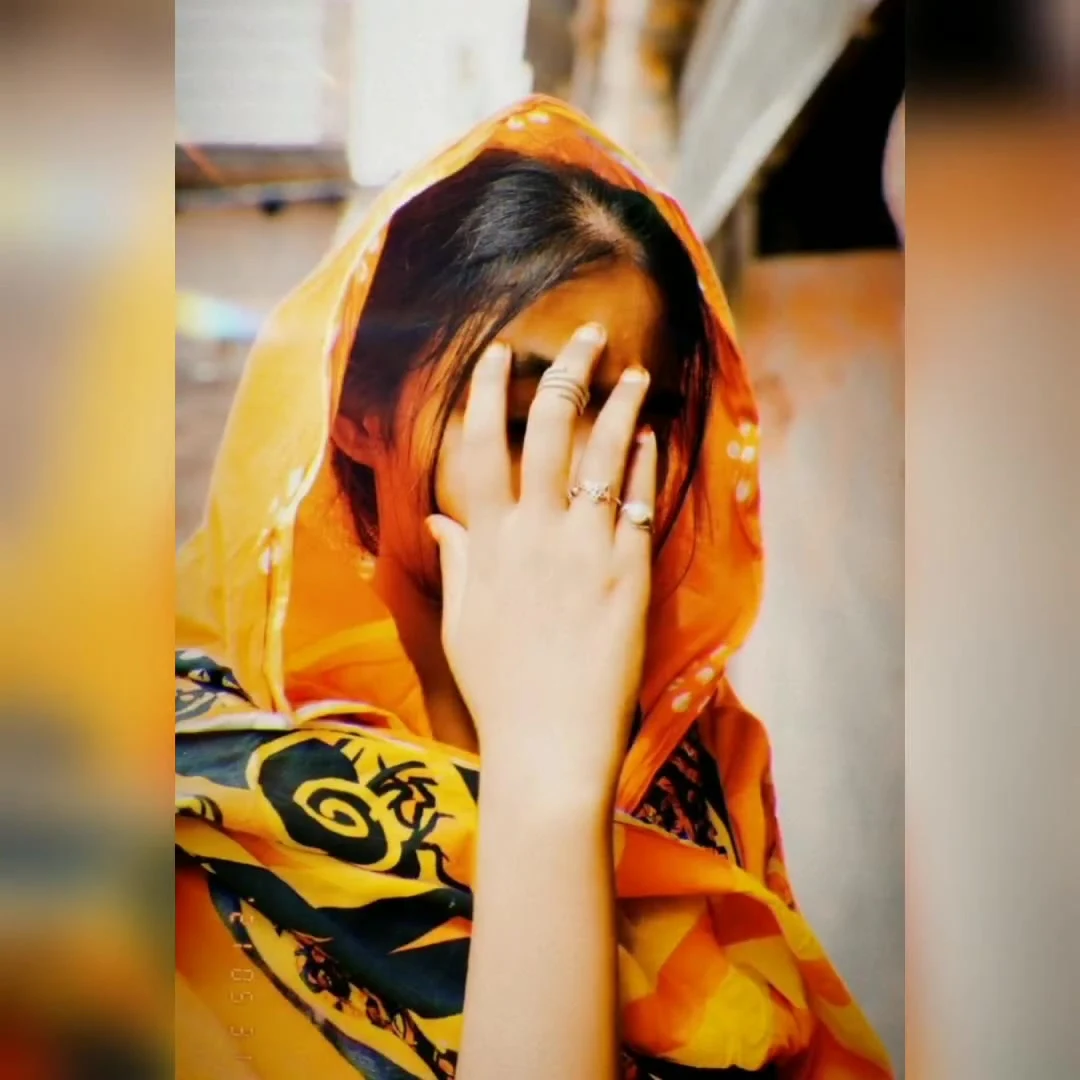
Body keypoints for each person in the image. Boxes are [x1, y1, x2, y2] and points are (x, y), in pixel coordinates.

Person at [176, 96, 892, 1080]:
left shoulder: (688, 750)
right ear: (357, 414)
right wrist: (547, 786)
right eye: (525, 419)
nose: (586, 483)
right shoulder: (196, 797)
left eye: (636, 427)